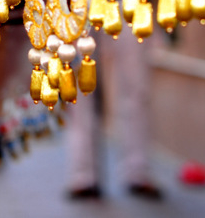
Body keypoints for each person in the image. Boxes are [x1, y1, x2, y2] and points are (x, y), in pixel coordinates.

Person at [65, 20, 163, 200]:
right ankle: (84, 174)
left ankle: (137, 170)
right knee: (80, 88)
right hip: (80, 5)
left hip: (129, 5)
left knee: (137, 87)